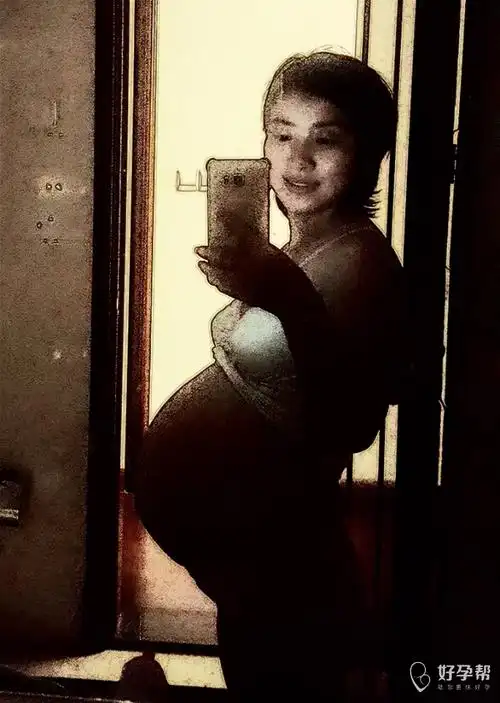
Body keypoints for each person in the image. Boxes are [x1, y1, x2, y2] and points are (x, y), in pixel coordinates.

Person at [132, 51, 410, 699]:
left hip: (282, 552)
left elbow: (350, 422)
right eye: (281, 135)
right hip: (253, 553)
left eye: (325, 139)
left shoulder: (363, 263)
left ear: (368, 154)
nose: (296, 160)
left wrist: (288, 298)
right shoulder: (300, 247)